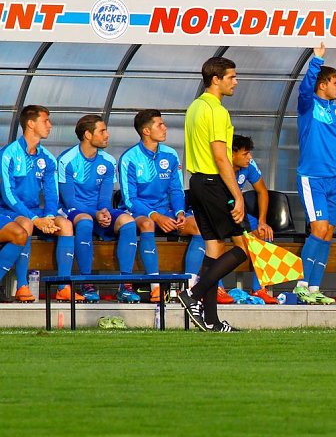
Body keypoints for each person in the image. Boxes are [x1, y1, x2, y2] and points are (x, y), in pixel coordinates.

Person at [178, 56, 247, 332]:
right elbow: (221, 157)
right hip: (212, 183)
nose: (236, 82)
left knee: (215, 250)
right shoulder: (217, 111)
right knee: (242, 249)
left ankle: (211, 320)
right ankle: (192, 294)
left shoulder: (194, 106)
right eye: (231, 77)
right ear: (216, 79)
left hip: (196, 183)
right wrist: (237, 195)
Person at [118, 109, 206, 304]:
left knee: (199, 226)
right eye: (160, 124)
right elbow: (130, 199)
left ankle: (190, 288)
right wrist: (156, 216)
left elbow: (176, 190)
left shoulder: (170, 154)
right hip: (139, 212)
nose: (165, 128)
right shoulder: (129, 158)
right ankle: (155, 288)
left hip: (167, 212)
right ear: (146, 131)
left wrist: (180, 212)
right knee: (147, 224)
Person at [57, 115, 138, 303]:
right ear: (87, 134)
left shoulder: (108, 161)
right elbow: (69, 201)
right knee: (85, 221)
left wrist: (105, 212)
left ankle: (125, 285)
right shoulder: (66, 160)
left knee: (128, 222)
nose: (107, 135)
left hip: (98, 212)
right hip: (74, 211)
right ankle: (86, 283)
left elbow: (104, 198)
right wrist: (95, 214)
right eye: (102, 131)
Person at [0, 105, 77, 302]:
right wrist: (35, 219)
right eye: (45, 121)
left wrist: (49, 217)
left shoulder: (47, 158)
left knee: (65, 224)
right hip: (9, 210)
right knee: (26, 224)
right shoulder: (8, 154)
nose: (50, 125)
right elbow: (8, 195)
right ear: (31, 124)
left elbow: (52, 195)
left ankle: (63, 287)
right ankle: (22, 285)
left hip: (36, 212)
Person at [294, 42, 336, 305]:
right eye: (335, 83)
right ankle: (300, 285)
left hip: (334, 178)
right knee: (319, 228)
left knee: (329, 232)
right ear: (322, 85)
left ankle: (314, 288)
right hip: (313, 178)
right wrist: (316, 60)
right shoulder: (308, 105)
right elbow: (304, 89)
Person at [216, 134, 277, 304]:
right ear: (231, 154)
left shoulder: (249, 165)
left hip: (238, 212)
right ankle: (217, 288)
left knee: (265, 234)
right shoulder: (217, 166)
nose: (249, 157)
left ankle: (259, 289)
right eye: (245, 154)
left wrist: (262, 221)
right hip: (216, 213)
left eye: (249, 153)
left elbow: (262, 191)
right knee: (216, 242)